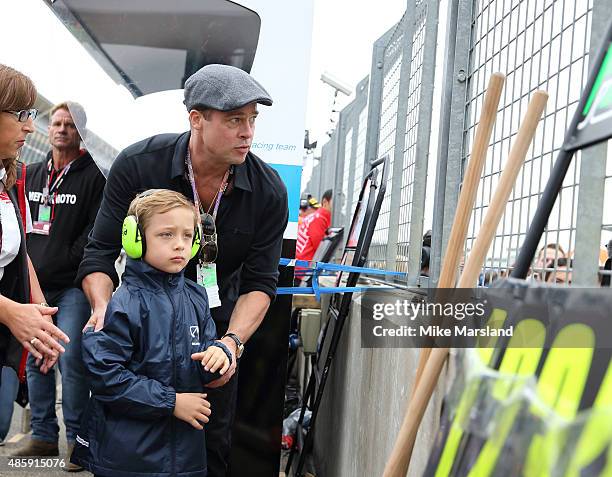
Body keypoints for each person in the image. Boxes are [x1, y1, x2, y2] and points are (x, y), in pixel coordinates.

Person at [76, 64, 288, 476]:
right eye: (234, 120)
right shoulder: (138, 164)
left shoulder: (268, 190)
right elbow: (98, 253)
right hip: (140, 327)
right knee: (129, 441)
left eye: (252, 120)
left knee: (208, 449)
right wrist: (103, 306)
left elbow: (262, 281)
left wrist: (231, 344)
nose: (248, 132)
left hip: (213, 331)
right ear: (196, 119)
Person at [72, 189, 232, 477]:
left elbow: (206, 364)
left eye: (187, 235)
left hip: (186, 460)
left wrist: (219, 358)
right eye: (166, 235)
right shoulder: (123, 302)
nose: (180, 245)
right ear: (135, 240)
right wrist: (171, 403)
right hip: (128, 460)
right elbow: (106, 377)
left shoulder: (196, 297)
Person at [14, 102, 105, 466]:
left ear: (81, 131)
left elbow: (95, 231)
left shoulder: (94, 176)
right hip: (33, 283)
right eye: (56, 122)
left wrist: (66, 257)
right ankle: (43, 437)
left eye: (70, 124)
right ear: (47, 128)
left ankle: (79, 443)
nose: (62, 129)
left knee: (71, 358)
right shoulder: (30, 172)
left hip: (71, 287)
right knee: (37, 357)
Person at [0, 64, 69, 380]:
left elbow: (18, 251)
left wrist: (41, 313)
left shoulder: (9, 179)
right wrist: (11, 312)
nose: (30, 127)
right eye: (21, 115)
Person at [295, 189, 333, 282]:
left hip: (300, 269)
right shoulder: (319, 218)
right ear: (325, 202)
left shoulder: (315, 217)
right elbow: (320, 250)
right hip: (303, 272)